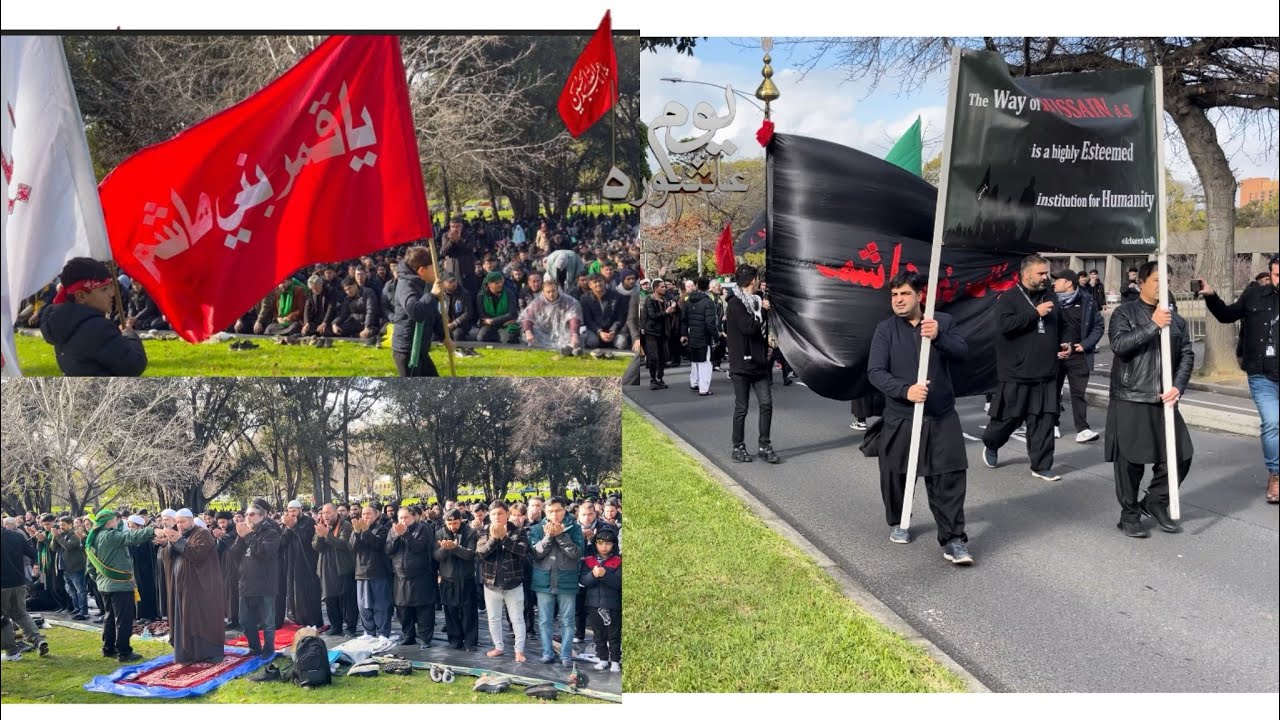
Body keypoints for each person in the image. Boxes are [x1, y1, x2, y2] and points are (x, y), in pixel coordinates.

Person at [867, 272, 973, 565]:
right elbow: (875, 372)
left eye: (904, 294)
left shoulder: (941, 323)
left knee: (948, 478)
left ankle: (953, 539)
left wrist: (939, 337)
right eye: (894, 295)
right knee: (896, 475)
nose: (898, 300)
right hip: (901, 417)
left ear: (919, 296)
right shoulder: (885, 330)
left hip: (941, 417)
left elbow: (963, 352)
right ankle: (899, 520)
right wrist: (906, 391)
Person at [1106, 261, 1196, 537]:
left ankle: (1155, 501)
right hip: (1131, 395)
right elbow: (1119, 346)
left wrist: (1178, 386)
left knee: (1180, 455)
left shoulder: (1175, 318)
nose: (1162, 286)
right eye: (1157, 280)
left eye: (1167, 280)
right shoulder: (1125, 312)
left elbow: (1187, 355)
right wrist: (1152, 326)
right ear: (1142, 282)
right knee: (1130, 461)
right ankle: (1129, 514)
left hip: (1164, 399)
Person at [982, 255, 1070, 481]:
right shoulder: (1009, 298)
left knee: (1044, 420)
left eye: (1046, 273)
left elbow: (1063, 324)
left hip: (1047, 372)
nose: (1045, 277)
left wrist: (1066, 342)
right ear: (1026, 274)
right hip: (1017, 372)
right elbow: (1005, 326)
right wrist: (1035, 313)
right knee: (1007, 419)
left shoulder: (1051, 296)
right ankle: (991, 444)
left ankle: (1041, 465)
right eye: (1041, 273)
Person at [1200, 257, 1279, 503]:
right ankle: (1276, 476)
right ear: (1271, 274)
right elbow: (1226, 315)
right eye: (1278, 275)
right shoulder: (1254, 296)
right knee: (1273, 423)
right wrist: (1211, 295)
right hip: (1262, 375)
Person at [39, 257, 147, 376]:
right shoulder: (99, 328)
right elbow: (133, 366)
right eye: (104, 289)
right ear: (81, 296)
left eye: (111, 286)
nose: (112, 293)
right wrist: (129, 334)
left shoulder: (62, 323)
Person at [84, 509, 156, 662]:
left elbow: (90, 567)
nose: (118, 523)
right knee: (123, 619)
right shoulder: (110, 535)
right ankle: (124, 651)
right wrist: (152, 530)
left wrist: (99, 581)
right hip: (119, 585)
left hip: (104, 585)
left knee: (109, 617)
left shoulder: (93, 537)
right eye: (116, 520)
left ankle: (108, 648)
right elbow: (130, 536)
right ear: (110, 522)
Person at [725, 265, 779, 463]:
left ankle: (765, 444)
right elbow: (749, 328)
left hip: (759, 363)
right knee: (742, 407)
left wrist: (768, 346)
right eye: (757, 279)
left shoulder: (756, 300)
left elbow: (760, 329)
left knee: (766, 404)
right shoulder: (735, 303)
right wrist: (761, 311)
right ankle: (738, 446)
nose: (759, 283)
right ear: (751, 281)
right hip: (742, 364)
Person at [158, 509, 226, 664]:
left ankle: (209, 653)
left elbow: (197, 555)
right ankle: (187, 653)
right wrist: (168, 543)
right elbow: (169, 556)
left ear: (191, 520)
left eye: (182, 522)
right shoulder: (179, 534)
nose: (179, 525)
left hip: (201, 587)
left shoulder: (203, 534)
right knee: (184, 618)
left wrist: (178, 541)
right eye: (178, 522)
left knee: (202, 618)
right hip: (182, 586)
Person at [528, 496, 584, 667]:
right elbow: (536, 553)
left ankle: (566, 655)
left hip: (567, 579)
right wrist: (548, 537)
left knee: (567, 620)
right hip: (543, 580)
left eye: (558, 510)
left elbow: (577, 553)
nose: (555, 514)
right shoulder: (537, 528)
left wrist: (561, 536)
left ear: (564, 510)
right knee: (545, 620)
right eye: (551, 511)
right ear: (545, 511)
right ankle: (547, 652)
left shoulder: (574, 528)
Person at [1051, 269, 1104, 443]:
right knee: (1052, 391)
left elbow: (1098, 326)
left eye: (1058, 280)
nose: (1054, 283)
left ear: (1068, 283)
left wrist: (1085, 345)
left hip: (1079, 356)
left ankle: (1082, 429)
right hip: (1054, 356)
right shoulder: (1049, 301)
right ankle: (1052, 425)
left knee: (1078, 393)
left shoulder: (1087, 300)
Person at [476, 501, 528, 662]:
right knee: (493, 618)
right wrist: (494, 538)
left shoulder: (518, 531)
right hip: (491, 584)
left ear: (507, 514)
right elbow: (481, 553)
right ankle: (498, 646)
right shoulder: (484, 532)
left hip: (513, 583)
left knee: (517, 618)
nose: (497, 517)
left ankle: (519, 650)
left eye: (500, 513)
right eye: (493, 514)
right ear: (489, 516)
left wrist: (504, 537)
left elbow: (522, 551)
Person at [232, 499, 281, 665]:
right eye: (246, 514)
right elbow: (234, 555)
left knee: (267, 622)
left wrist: (249, 536)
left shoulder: (271, 532)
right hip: (246, 584)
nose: (248, 517)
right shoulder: (246, 534)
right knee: (245, 621)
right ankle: (254, 647)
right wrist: (240, 538)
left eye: (252, 514)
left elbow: (263, 552)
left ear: (262, 516)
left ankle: (268, 649)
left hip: (265, 585)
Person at [385, 505, 438, 647]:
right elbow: (388, 549)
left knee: (423, 609)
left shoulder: (423, 529)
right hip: (400, 577)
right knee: (403, 609)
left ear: (413, 517)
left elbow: (419, 548)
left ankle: (425, 639)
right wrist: (396, 536)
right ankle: (408, 636)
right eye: (400, 518)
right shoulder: (393, 530)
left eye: (406, 517)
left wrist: (406, 535)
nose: (403, 520)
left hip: (420, 576)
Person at [391, 246, 443, 377]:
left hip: (421, 349)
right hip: (408, 351)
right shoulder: (405, 285)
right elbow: (416, 312)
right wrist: (432, 295)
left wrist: (444, 337)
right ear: (421, 270)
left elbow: (433, 314)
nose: (437, 272)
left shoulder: (425, 284)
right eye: (433, 268)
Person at [2, 518, 47, 660]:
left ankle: (12, 652)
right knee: (21, 613)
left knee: (3, 618)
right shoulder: (16, 536)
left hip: (3, 585)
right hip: (19, 581)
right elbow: (33, 553)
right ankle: (38, 640)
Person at [434, 508, 479, 650]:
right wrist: (445, 549)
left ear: (461, 520)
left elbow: (470, 555)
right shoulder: (439, 534)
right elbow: (436, 556)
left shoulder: (470, 533)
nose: (453, 526)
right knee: (450, 612)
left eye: (456, 522)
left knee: (469, 612)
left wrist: (455, 547)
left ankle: (470, 642)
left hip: (467, 579)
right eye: (450, 523)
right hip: (448, 579)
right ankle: (455, 640)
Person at [579, 526, 621, 673]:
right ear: (595, 544)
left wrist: (604, 575)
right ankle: (603, 659)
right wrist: (594, 575)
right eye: (600, 543)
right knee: (598, 634)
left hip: (612, 604)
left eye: (608, 543)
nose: (604, 547)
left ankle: (615, 660)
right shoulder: (589, 561)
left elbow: (619, 583)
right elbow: (584, 581)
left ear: (614, 545)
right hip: (593, 603)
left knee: (614, 634)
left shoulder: (619, 561)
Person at [312, 504, 358, 637]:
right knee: (330, 599)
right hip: (326, 568)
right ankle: (336, 626)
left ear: (336, 513)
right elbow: (315, 546)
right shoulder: (321, 525)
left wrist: (327, 535)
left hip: (342, 568)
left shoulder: (346, 525)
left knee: (347, 600)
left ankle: (350, 627)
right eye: (323, 513)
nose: (325, 516)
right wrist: (321, 536)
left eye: (328, 513)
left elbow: (344, 544)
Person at [279, 500, 324, 627]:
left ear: (300, 510)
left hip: (306, 563)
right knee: (294, 593)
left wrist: (294, 527)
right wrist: (288, 527)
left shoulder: (308, 522)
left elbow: (306, 540)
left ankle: (312, 621)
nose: (292, 513)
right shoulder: (286, 523)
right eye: (289, 511)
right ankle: (298, 619)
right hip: (292, 563)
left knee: (308, 593)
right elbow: (282, 542)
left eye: (294, 510)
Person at [519, 280, 583, 354]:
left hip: (564, 331)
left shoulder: (570, 302)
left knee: (579, 335)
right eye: (548, 292)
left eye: (553, 291)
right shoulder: (538, 302)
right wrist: (528, 332)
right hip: (545, 331)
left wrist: (574, 334)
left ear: (558, 290)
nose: (551, 294)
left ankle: (570, 348)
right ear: (543, 292)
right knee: (527, 332)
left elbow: (574, 319)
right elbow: (528, 317)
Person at [682, 277, 721, 396]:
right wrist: (716, 336)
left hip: (692, 333)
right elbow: (710, 323)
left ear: (697, 286)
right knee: (705, 362)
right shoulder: (708, 301)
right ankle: (704, 388)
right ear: (708, 286)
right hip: (704, 336)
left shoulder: (688, 300)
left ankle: (694, 382)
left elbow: (684, 319)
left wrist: (684, 334)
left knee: (695, 360)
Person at [581, 272, 629, 351]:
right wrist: (599, 332)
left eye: (600, 281)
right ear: (590, 285)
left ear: (604, 282)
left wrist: (613, 330)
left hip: (613, 330)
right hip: (595, 330)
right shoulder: (585, 298)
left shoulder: (616, 296)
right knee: (592, 342)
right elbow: (588, 320)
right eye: (595, 282)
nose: (598, 284)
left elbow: (621, 317)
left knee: (622, 343)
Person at [53, 516, 88, 619]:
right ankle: (77, 608)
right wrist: (55, 537)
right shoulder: (61, 535)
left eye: (63, 525)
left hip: (76, 567)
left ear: (70, 524)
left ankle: (83, 610)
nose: (61, 527)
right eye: (60, 525)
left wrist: (58, 537)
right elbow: (53, 548)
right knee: (71, 590)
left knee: (80, 590)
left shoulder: (74, 534)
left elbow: (69, 547)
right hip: (65, 568)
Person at [641, 279, 672, 388]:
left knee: (663, 356)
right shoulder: (650, 299)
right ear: (656, 288)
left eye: (665, 287)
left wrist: (671, 311)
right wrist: (666, 312)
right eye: (662, 287)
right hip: (652, 332)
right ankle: (652, 379)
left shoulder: (664, 299)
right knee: (653, 356)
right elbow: (652, 315)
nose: (664, 289)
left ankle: (660, 377)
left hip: (663, 332)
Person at [475, 271, 520, 344]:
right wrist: (492, 322)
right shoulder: (481, 296)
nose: (500, 285)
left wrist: (493, 321)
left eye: (500, 282)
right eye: (496, 283)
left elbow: (511, 313)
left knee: (510, 338)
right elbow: (482, 316)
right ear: (489, 284)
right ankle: (500, 336)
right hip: (490, 325)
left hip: (506, 324)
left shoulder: (509, 293)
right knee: (481, 337)